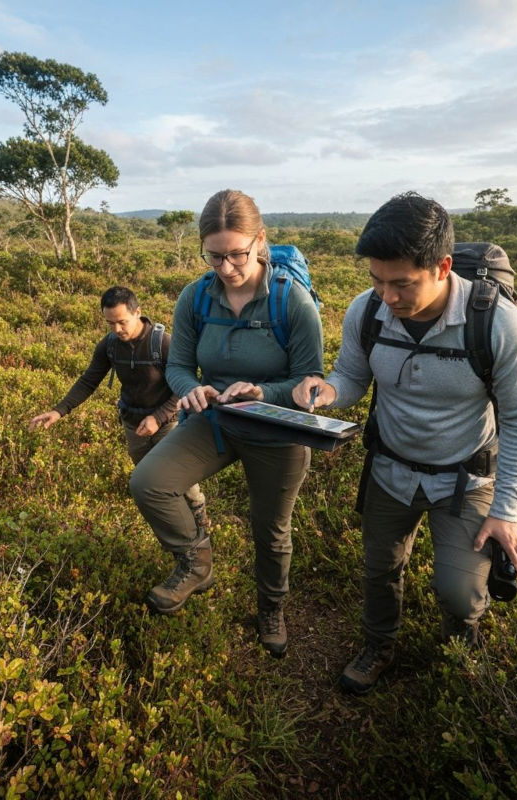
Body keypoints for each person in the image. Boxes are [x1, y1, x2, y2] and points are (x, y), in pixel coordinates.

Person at [291, 192, 517, 693]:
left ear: (443, 266)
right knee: (379, 569)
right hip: (390, 470)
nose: (387, 296)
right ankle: (378, 645)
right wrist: (326, 389)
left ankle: (459, 656)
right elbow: (352, 375)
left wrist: (506, 510)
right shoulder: (367, 311)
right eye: (376, 280)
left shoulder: (498, 324)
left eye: (402, 283)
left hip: (465, 480)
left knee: (458, 592)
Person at [129, 189, 324, 658]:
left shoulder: (291, 301)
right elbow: (178, 365)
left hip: (277, 430)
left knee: (271, 530)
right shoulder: (195, 297)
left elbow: (308, 379)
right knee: (149, 482)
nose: (226, 267)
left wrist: (264, 392)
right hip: (214, 422)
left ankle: (271, 607)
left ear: (260, 241)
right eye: (213, 256)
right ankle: (196, 563)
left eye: (236, 254)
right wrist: (191, 388)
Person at [28, 286, 207, 525]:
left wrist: (158, 417)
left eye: (122, 322)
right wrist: (58, 411)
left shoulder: (162, 343)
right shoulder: (110, 345)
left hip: (168, 424)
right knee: (148, 482)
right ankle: (176, 529)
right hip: (132, 423)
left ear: (138, 312)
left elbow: (184, 385)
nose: (117, 329)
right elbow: (88, 380)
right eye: (110, 323)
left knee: (180, 478)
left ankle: (199, 520)